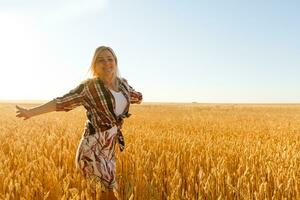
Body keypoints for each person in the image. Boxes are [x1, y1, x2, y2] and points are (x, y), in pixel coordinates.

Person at [16, 46, 143, 200]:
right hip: (92, 147)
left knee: (107, 193)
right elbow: (61, 102)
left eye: (110, 59)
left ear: (115, 62)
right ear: (94, 66)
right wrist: (31, 112)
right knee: (107, 195)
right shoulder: (89, 87)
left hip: (110, 147)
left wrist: (138, 96)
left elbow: (135, 96)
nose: (106, 63)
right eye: (100, 60)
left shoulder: (122, 84)